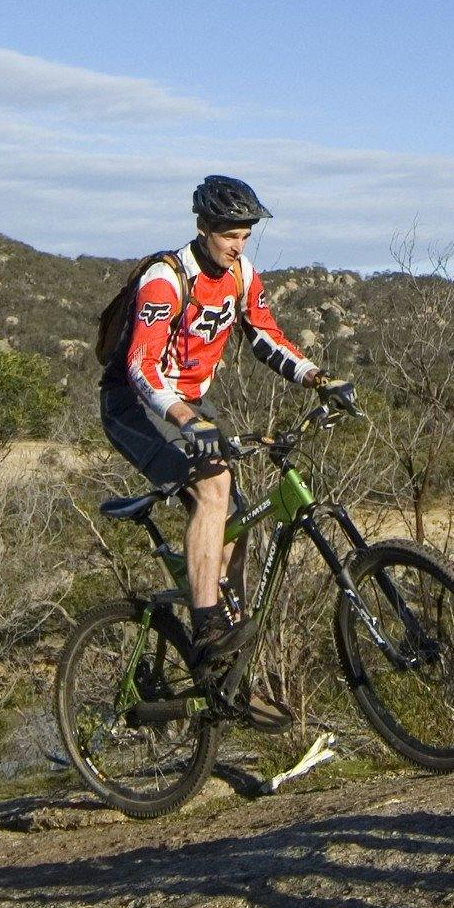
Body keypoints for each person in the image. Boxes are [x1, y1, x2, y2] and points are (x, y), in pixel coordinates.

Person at [98, 174, 351, 674]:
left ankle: (226, 662)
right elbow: (141, 367)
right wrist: (189, 420)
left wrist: (318, 378)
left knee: (238, 522)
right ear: (202, 226)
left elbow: (265, 337)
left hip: (190, 404)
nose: (238, 245)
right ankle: (205, 625)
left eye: (245, 236)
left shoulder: (240, 277)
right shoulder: (166, 279)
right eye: (229, 235)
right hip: (135, 405)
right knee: (214, 486)